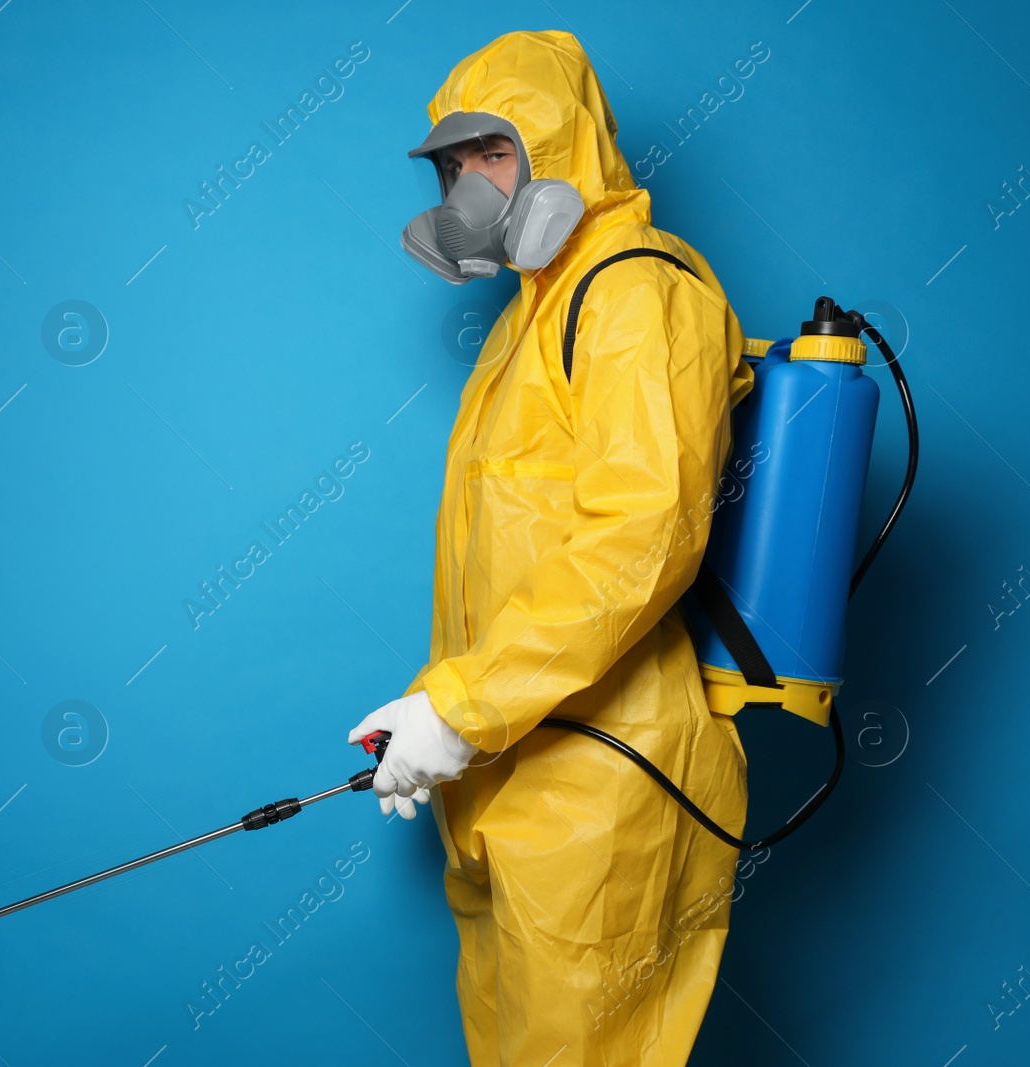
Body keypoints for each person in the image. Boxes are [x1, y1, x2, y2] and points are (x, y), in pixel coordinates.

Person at [347, 30, 754, 1067]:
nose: (466, 185)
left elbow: (640, 537)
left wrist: (464, 707)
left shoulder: (635, 293)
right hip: (506, 773)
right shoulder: (529, 314)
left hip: (604, 789)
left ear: (559, 143)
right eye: (450, 165)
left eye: (491, 153)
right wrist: (437, 708)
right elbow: (509, 557)